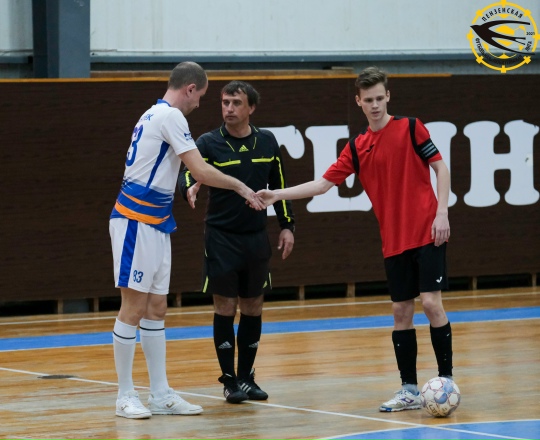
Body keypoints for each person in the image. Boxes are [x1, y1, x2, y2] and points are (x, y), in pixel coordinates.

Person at [257, 66, 453, 412]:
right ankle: (408, 389)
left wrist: (442, 213)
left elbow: (440, 167)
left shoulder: (411, 127)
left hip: (427, 231)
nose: (375, 105)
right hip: (394, 240)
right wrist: (277, 195)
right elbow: (321, 185)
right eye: (368, 100)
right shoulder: (357, 147)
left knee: (430, 303)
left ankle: (446, 382)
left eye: (380, 98)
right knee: (400, 311)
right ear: (359, 101)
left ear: (387, 96)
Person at [109, 62, 265, 419]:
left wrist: (194, 184)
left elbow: (184, 170)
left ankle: (160, 393)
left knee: (156, 309)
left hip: (157, 221)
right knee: (132, 308)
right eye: (202, 96)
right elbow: (200, 169)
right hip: (135, 219)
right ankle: (124, 395)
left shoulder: (154, 114)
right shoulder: (171, 116)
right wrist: (241, 187)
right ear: (190, 89)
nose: (200, 104)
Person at [178, 80, 295, 404]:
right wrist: (190, 187)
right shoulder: (208, 142)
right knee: (225, 307)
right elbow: (188, 172)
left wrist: (287, 226)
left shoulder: (267, 141)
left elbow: (280, 185)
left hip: (256, 238)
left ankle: (246, 377)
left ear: (251, 108)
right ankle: (229, 380)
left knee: (253, 306)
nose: (229, 108)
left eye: (236, 103)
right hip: (221, 238)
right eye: (225, 102)